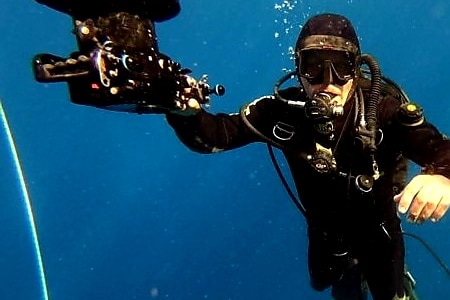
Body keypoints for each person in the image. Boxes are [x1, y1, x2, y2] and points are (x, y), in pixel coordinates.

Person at [164, 13, 450, 300]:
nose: (328, 82)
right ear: (298, 69)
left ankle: (400, 282)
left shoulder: (383, 112)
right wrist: (185, 112)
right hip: (325, 235)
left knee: (391, 294)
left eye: (341, 67)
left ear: (357, 69)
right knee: (337, 287)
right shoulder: (280, 111)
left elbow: (440, 148)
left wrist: (442, 176)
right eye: (313, 67)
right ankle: (353, 275)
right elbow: (215, 136)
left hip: (380, 234)